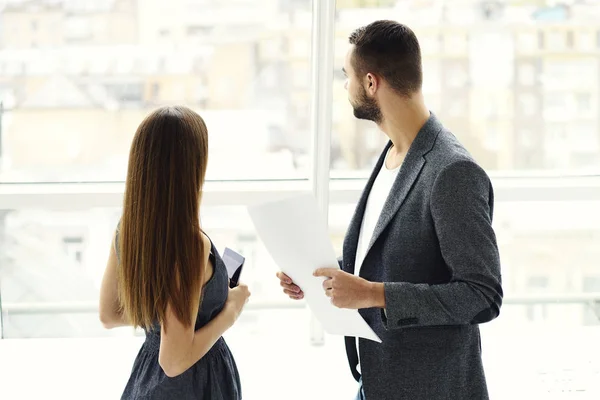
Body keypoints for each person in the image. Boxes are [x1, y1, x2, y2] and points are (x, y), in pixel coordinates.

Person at [277, 20, 502, 400]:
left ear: (370, 83)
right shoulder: (392, 155)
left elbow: (481, 294)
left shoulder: (452, 171)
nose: (345, 88)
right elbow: (387, 259)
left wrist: (373, 294)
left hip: (431, 389)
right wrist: (319, 276)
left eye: (347, 77)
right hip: (377, 381)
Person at [99, 106, 251, 400]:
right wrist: (230, 310)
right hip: (193, 387)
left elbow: (110, 313)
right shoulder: (190, 246)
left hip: (147, 382)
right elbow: (174, 362)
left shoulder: (129, 228)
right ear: (192, 167)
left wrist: (163, 316)